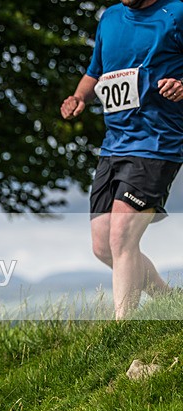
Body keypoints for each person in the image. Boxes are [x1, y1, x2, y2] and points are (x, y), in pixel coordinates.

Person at [61, 0, 183, 319]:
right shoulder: (110, 18)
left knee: (122, 236)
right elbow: (95, 72)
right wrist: (78, 97)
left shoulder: (177, 13)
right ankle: (170, 302)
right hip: (114, 145)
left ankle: (121, 333)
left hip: (158, 144)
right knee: (103, 246)